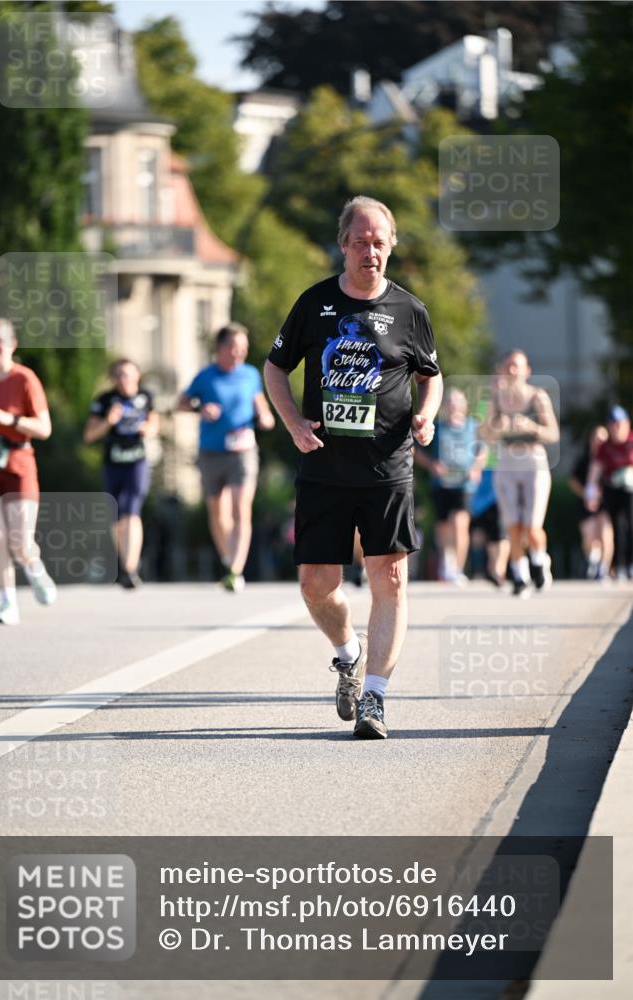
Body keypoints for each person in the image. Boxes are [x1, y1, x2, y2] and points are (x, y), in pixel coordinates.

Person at [264, 195, 442, 740]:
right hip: (324, 467)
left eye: (380, 242)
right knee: (317, 586)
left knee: (389, 577)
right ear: (343, 244)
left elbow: (430, 375)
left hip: (388, 465)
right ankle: (348, 653)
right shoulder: (314, 304)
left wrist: (427, 416)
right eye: (361, 242)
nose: (371, 252)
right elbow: (274, 369)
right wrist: (293, 422)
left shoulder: (410, 312)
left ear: (392, 247)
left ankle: (376, 699)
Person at [0, 317, 56, 624]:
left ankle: (33, 566)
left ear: (12, 344)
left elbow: (45, 428)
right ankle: (8, 602)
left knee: (20, 541)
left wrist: (11, 421)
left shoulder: (24, 379)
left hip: (18, 463)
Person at [178, 323, 275, 592]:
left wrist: (265, 416)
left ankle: (235, 569)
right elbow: (182, 403)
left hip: (243, 451)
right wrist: (200, 407)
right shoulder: (205, 376)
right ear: (220, 348)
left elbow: (259, 402)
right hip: (211, 451)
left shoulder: (250, 374)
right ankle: (226, 556)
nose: (239, 353)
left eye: (243, 348)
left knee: (240, 508)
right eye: (234, 347)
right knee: (218, 513)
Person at [484, 351, 559, 598]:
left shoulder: (538, 397)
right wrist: (497, 427)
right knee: (513, 526)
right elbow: (483, 434)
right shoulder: (496, 398)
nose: (512, 370)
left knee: (533, 527)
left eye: (517, 366)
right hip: (507, 461)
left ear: (527, 370)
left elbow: (553, 434)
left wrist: (532, 427)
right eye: (508, 366)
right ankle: (520, 576)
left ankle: (539, 560)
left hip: (533, 461)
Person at [83, 358, 158, 588]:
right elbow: (89, 435)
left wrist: (146, 429)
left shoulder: (146, 397)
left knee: (131, 509)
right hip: (113, 463)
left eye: (128, 375)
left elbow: (154, 425)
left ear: (137, 376)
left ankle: (130, 569)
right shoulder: (104, 401)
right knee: (116, 515)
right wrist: (108, 421)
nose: (123, 380)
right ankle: (124, 562)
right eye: (119, 376)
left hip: (136, 462)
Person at [414, 387, 485, 584]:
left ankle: (458, 569)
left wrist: (476, 468)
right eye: (450, 402)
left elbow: (482, 451)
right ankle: (447, 561)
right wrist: (431, 465)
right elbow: (416, 451)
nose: (453, 406)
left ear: (464, 406)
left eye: (457, 402)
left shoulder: (472, 426)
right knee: (443, 528)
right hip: (442, 483)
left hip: (464, 484)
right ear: (445, 406)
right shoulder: (437, 427)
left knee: (461, 523)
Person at [585, 406, 633, 580]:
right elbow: (595, 470)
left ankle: (630, 564)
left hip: (630, 490)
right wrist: (590, 491)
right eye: (613, 424)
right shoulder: (605, 447)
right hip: (613, 490)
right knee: (617, 527)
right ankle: (619, 566)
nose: (616, 428)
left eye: (619, 424)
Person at [568, 425, 613, 579]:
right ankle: (593, 559)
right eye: (596, 438)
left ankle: (603, 568)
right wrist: (586, 495)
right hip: (586, 504)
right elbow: (573, 480)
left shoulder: (611, 459)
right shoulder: (584, 459)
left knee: (605, 535)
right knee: (590, 535)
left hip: (606, 504)